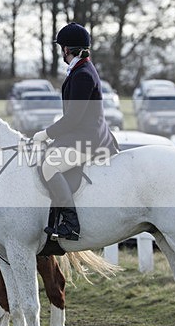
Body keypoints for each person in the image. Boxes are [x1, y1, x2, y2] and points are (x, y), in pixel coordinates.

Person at [32, 22, 118, 241]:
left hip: (88, 139)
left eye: (62, 48)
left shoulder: (82, 75)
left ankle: (71, 224)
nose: (62, 51)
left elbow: (73, 118)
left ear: (67, 49)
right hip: (81, 134)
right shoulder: (80, 69)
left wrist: (46, 134)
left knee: (50, 166)